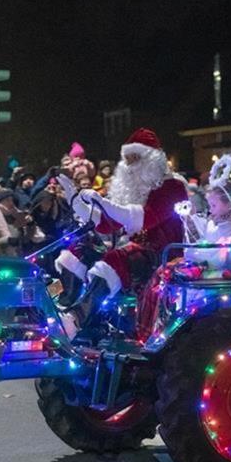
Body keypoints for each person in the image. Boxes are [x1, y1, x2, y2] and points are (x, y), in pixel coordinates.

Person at [55, 128, 188, 336]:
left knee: (116, 259)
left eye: (136, 159)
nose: (130, 167)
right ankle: (65, 307)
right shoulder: (135, 190)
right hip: (137, 252)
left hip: (163, 256)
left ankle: (76, 320)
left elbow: (144, 218)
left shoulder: (172, 187)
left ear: (152, 160)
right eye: (128, 160)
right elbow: (108, 224)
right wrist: (75, 202)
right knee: (79, 250)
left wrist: (103, 202)